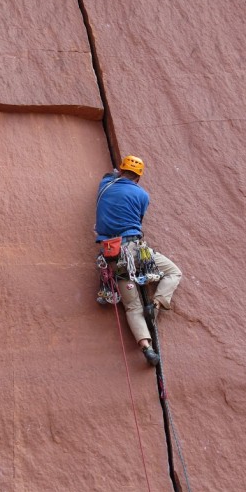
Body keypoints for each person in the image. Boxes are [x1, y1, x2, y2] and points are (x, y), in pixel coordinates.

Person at [95, 155, 182, 366]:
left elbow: (109, 175)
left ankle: (147, 348)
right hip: (136, 250)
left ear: (121, 170)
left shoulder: (105, 186)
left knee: (132, 307)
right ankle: (155, 304)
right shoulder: (142, 195)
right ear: (139, 178)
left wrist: (116, 174)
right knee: (173, 272)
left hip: (113, 255)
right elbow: (139, 218)